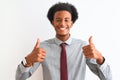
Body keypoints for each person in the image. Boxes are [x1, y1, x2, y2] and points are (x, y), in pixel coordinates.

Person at [16, 2, 112, 80]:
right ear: (53, 22)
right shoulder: (42, 48)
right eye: (58, 19)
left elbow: (107, 78)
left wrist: (100, 58)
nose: (62, 24)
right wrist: (27, 60)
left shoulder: (83, 47)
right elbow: (19, 78)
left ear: (72, 23)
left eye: (66, 20)